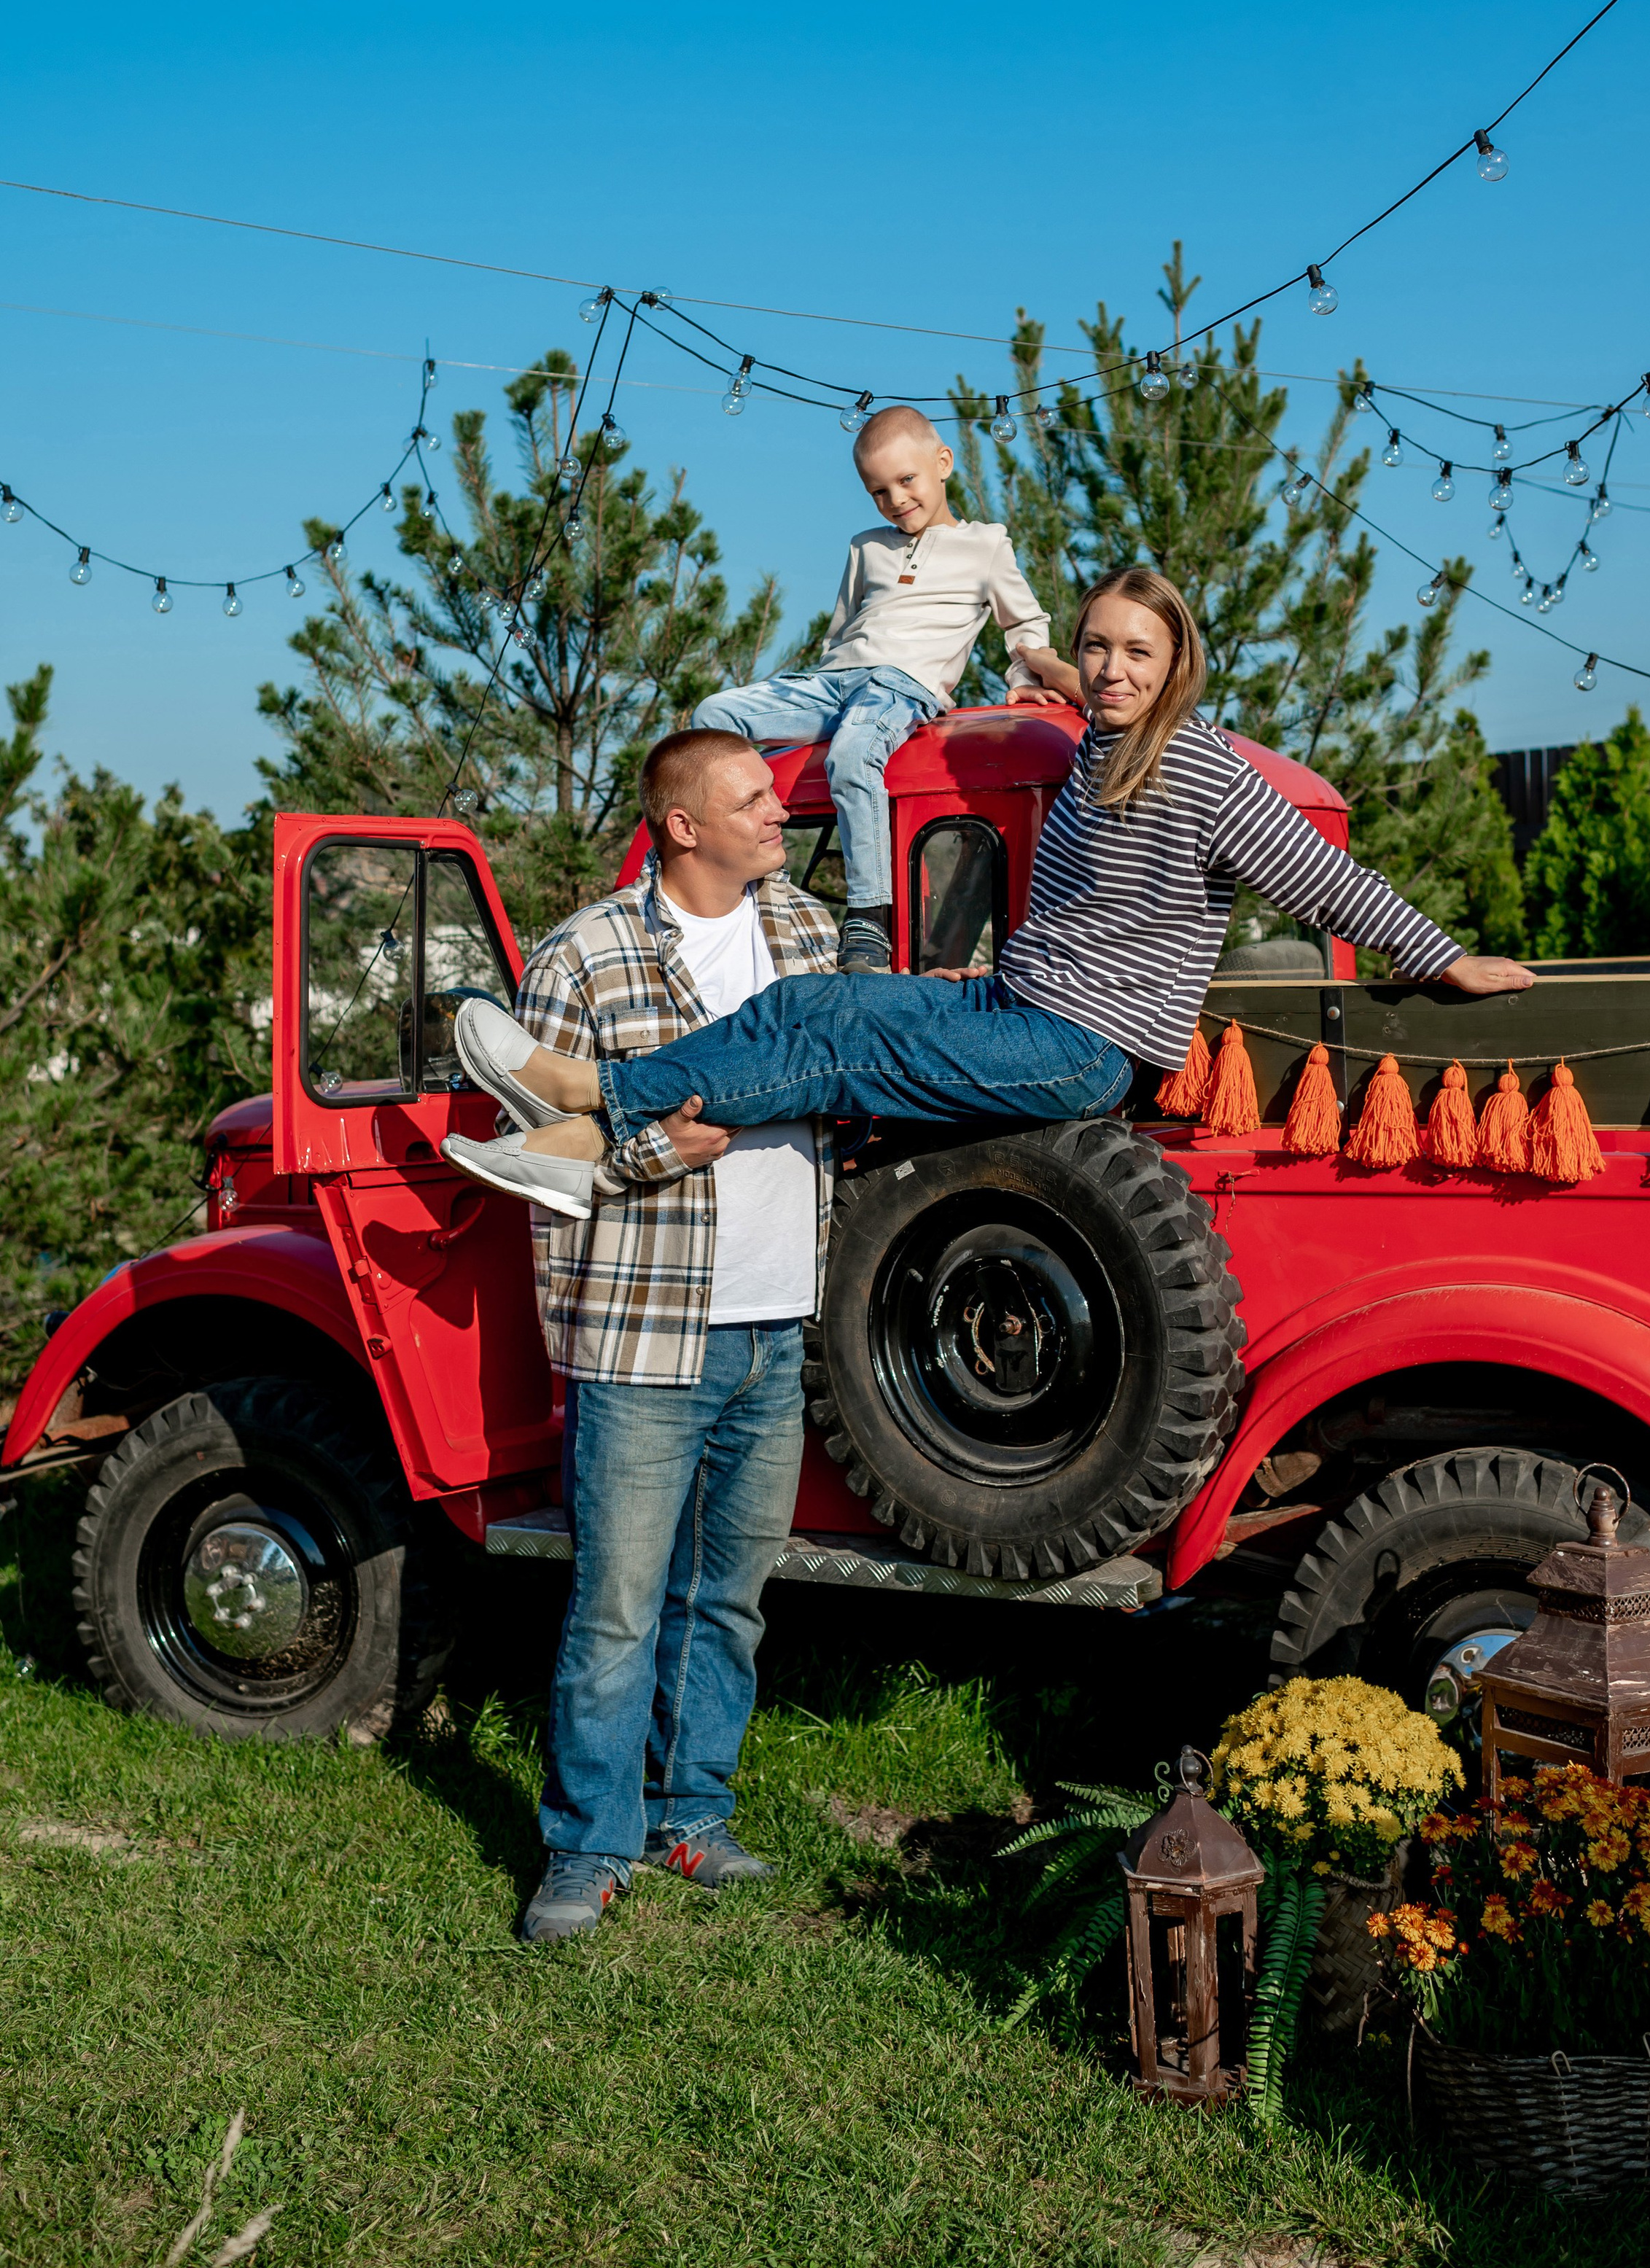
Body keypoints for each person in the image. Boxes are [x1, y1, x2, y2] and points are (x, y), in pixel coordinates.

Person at [443, 566, 1533, 1217]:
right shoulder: (1101, 748)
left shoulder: (1196, 767)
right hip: (1020, 1007)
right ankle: (583, 1139)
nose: (1111, 669)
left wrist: (1440, 957)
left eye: (1137, 653)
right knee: (798, 1005)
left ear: (1177, 663)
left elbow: (1318, 874)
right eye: (1096, 646)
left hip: (1079, 1043)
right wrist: (1046, 677)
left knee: (829, 1040)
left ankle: (591, 1100)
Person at [456, 728, 838, 1944]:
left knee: (727, 1595)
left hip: (773, 1325)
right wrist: (646, 1148)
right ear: (684, 824)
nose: (778, 815)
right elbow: (534, 1156)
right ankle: (586, 1844)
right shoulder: (586, 954)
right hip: (639, 1331)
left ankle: (694, 1809)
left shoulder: (809, 938)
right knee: (617, 1605)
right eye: (753, 799)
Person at [688, 402, 1081, 975]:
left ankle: (869, 917)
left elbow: (1024, 626)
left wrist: (1024, 680)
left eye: (906, 480)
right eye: (878, 491)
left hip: (901, 686)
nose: (895, 500)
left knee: (853, 755)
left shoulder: (985, 544)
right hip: (832, 683)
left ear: (943, 463)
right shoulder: (865, 546)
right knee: (714, 713)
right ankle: (748, 854)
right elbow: (841, 630)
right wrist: (818, 690)